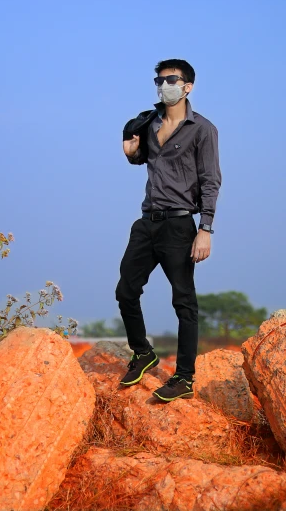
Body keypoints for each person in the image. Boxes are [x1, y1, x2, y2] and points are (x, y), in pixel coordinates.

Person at [116, 59, 221, 402]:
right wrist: (131, 153)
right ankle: (143, 352)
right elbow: (141, 157)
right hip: (146, 222)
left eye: (170, 80)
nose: (163, 85)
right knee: (126, 290)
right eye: (159, 80)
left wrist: (205, 229)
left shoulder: (202, 129)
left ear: (187, 86)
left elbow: (210, 180)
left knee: (184, 302)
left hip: (179, 224)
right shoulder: (148, 122)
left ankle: (185, 378)